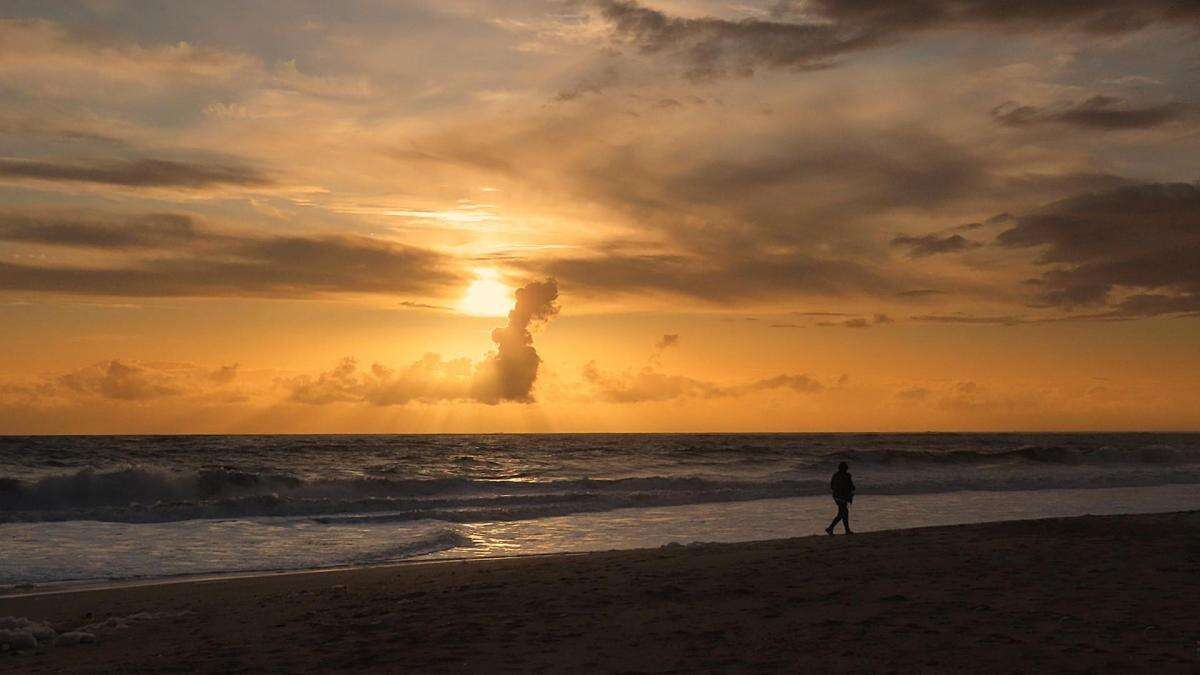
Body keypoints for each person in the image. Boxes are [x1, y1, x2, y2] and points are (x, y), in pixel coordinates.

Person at [825, 461, 855, 535]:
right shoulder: (847, 476)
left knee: (843, 513)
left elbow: (831, 486)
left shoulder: (835, 475)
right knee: (842, 513)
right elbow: (852, 487)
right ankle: (830, 528)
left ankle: (846, 530)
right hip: (843, 497)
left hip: (836, 497)